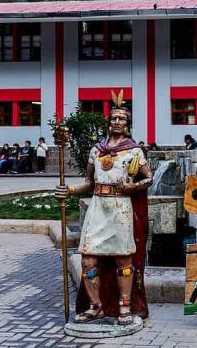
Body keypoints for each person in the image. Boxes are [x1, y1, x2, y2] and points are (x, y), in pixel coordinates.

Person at [55, 91, 152, 325]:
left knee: (123, 261)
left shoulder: (134, 150)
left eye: (122, 119)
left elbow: (148, 178)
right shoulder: (96, 150)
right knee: (88, 260)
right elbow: (89, 183)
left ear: (128, 125)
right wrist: (69, 190)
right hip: (98, 207)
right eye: (114, 118)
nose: (117, 122)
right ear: (108, 123)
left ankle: (125, 307)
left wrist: (132, 186)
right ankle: (96, 306)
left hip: (121, 208)